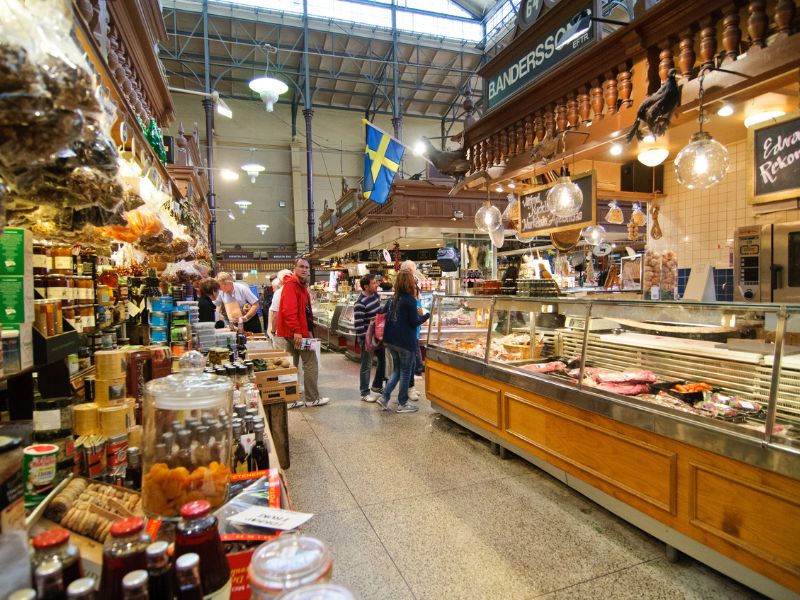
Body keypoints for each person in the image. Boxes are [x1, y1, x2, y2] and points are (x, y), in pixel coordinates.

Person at [276, 258, 330, 408]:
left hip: (292, 332)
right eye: (301, 267)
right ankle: (312, 398)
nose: (304, 270)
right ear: (294, 268)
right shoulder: (292, 285)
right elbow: (289, 311)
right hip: (298, 333)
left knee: (291, 365)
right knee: (311, 362)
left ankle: (290, 400)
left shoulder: (298, 285)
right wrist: (297, 331)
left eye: (306, 267)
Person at [377, 270, 429, 413]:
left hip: (390, 341)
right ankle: (402, 403)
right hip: (405, 342)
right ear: (409, 283)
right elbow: (415, 322)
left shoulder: (392, 300)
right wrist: (426, 316)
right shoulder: (410, 301)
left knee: (397, 370)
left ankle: (384, 397)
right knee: (406, 372)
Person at [354, 274, 385, 402]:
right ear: (366, 286)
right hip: (367, 338)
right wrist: (364, 342)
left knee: (383, 360)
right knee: (366, 365)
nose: (376, 285)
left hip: (378, 336)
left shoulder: (375, 296)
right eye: (373, 283)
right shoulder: (360, 303)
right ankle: (364, 392)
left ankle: (377, 385)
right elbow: (358, 325)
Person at [399, 260, 424, 400]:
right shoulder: (406, 291)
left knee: (410, 362)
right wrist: (424, 316)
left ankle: (410, 388)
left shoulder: (412, 286)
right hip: (409, 331)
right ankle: (407, 391)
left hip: (413, 329)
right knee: (408, 364)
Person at [269, 269, 293, 346]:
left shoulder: (279, 293)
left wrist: (273, 330)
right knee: (296, 356)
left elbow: (275, 314)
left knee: (283, 356)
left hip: (282, 332)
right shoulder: (297, 290)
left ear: (280, 280)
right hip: (295, 331)